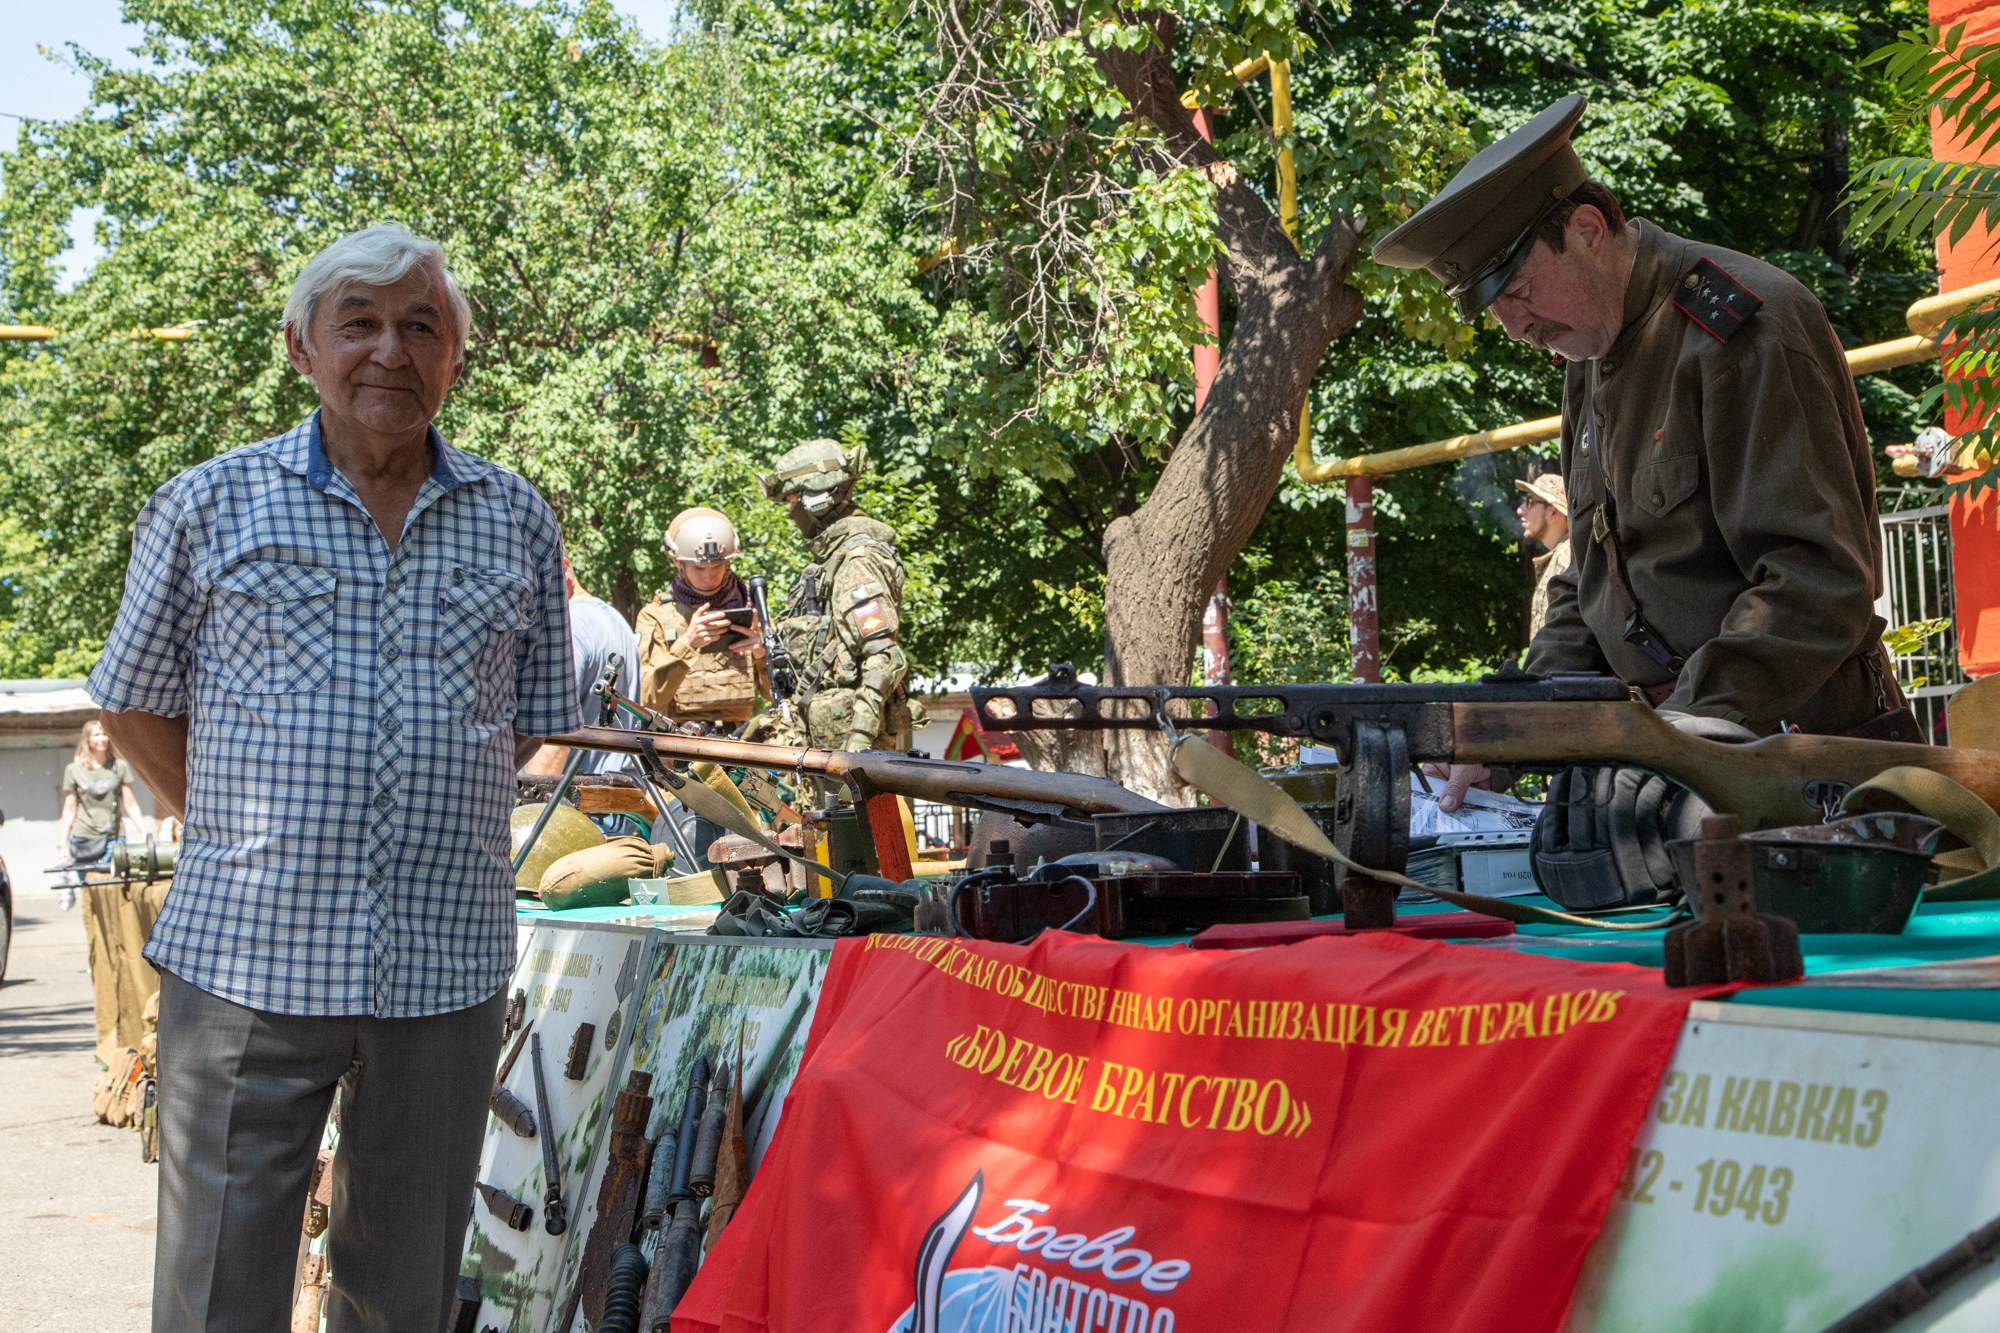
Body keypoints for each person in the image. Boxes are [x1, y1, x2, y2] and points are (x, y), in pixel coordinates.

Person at [88, 223, 577, 1333]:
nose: (390, 352)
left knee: (402, 1288)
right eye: (358, 324)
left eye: (421, 326)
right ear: (302, 347)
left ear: (456, 356)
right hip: (246, 958)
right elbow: (130, 698)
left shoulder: (513, 515)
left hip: (445, 960)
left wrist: (421, 804)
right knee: (220, 1283)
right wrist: (232, 826)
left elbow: (532, 724)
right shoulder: (205, 503)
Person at [1374, 94, 1911, 808]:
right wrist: (1510, 736)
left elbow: (1819, 582)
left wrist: (1679, 735)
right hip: (1686, 769)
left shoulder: (1745, 327)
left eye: (1523, 290)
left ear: (1590, 229)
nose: (1518, 328)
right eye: (1497, 311)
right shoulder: (1588, 355)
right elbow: (1590, 585)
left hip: (1805, 769)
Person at [757, 438, 914, 752]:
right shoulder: (830, 561)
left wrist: (860, 740)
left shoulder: (856, 560)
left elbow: (883, 657)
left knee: (876, 806)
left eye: (791, 501)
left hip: (854, 757)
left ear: (816, 498)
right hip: (828, 745)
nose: (791, 511)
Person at [634, 508, 769, 731]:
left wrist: (762, 655)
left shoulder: (753, 606)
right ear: (678, 562)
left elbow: (779, 696)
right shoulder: (655, 616)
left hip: (743, 743)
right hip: (681, 745)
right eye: (698, 568)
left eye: (717, 566)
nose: (709, 576)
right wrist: (687, 644)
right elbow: (646, 700)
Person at [525, 554, 640, 776]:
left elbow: (556, 734)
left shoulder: (569, 624)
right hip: (622, 794)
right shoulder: (614, 619)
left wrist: (533, 806)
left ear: (564, 567)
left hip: (579, 798)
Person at [55, 718, 151, 908]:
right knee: (90, 892)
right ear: (87, 739)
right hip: (84, 838)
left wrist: (143, 831)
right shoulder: (74, 770)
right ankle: (96, 935)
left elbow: (130, 802)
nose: (102, 738)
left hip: (113, 838)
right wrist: (62, 842)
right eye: (97, 734)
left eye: (105, 734)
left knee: (115, 890)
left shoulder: (119, 767)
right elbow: (70, 807)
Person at [1514, 473, 1571, 642]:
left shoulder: (1567, 558)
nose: (1520, 510)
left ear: (1553, 512)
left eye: (1530, 502)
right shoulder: (1560, 556)